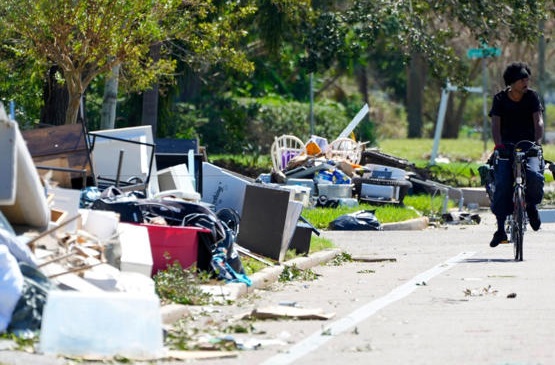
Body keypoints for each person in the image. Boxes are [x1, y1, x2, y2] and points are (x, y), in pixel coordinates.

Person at [488, 61, 545, 247]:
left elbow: (539, 122)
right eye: (521, 79)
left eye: (527, 78)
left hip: (528, 146)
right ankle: (500, 229)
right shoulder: (499, 99)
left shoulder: (532, 97)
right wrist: (499, 146)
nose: (525, 81)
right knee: (502, 183)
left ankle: (531, 206)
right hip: (506, 148)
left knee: (535, 177)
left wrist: (536, 143)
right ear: (511, 82)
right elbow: (495, 125)